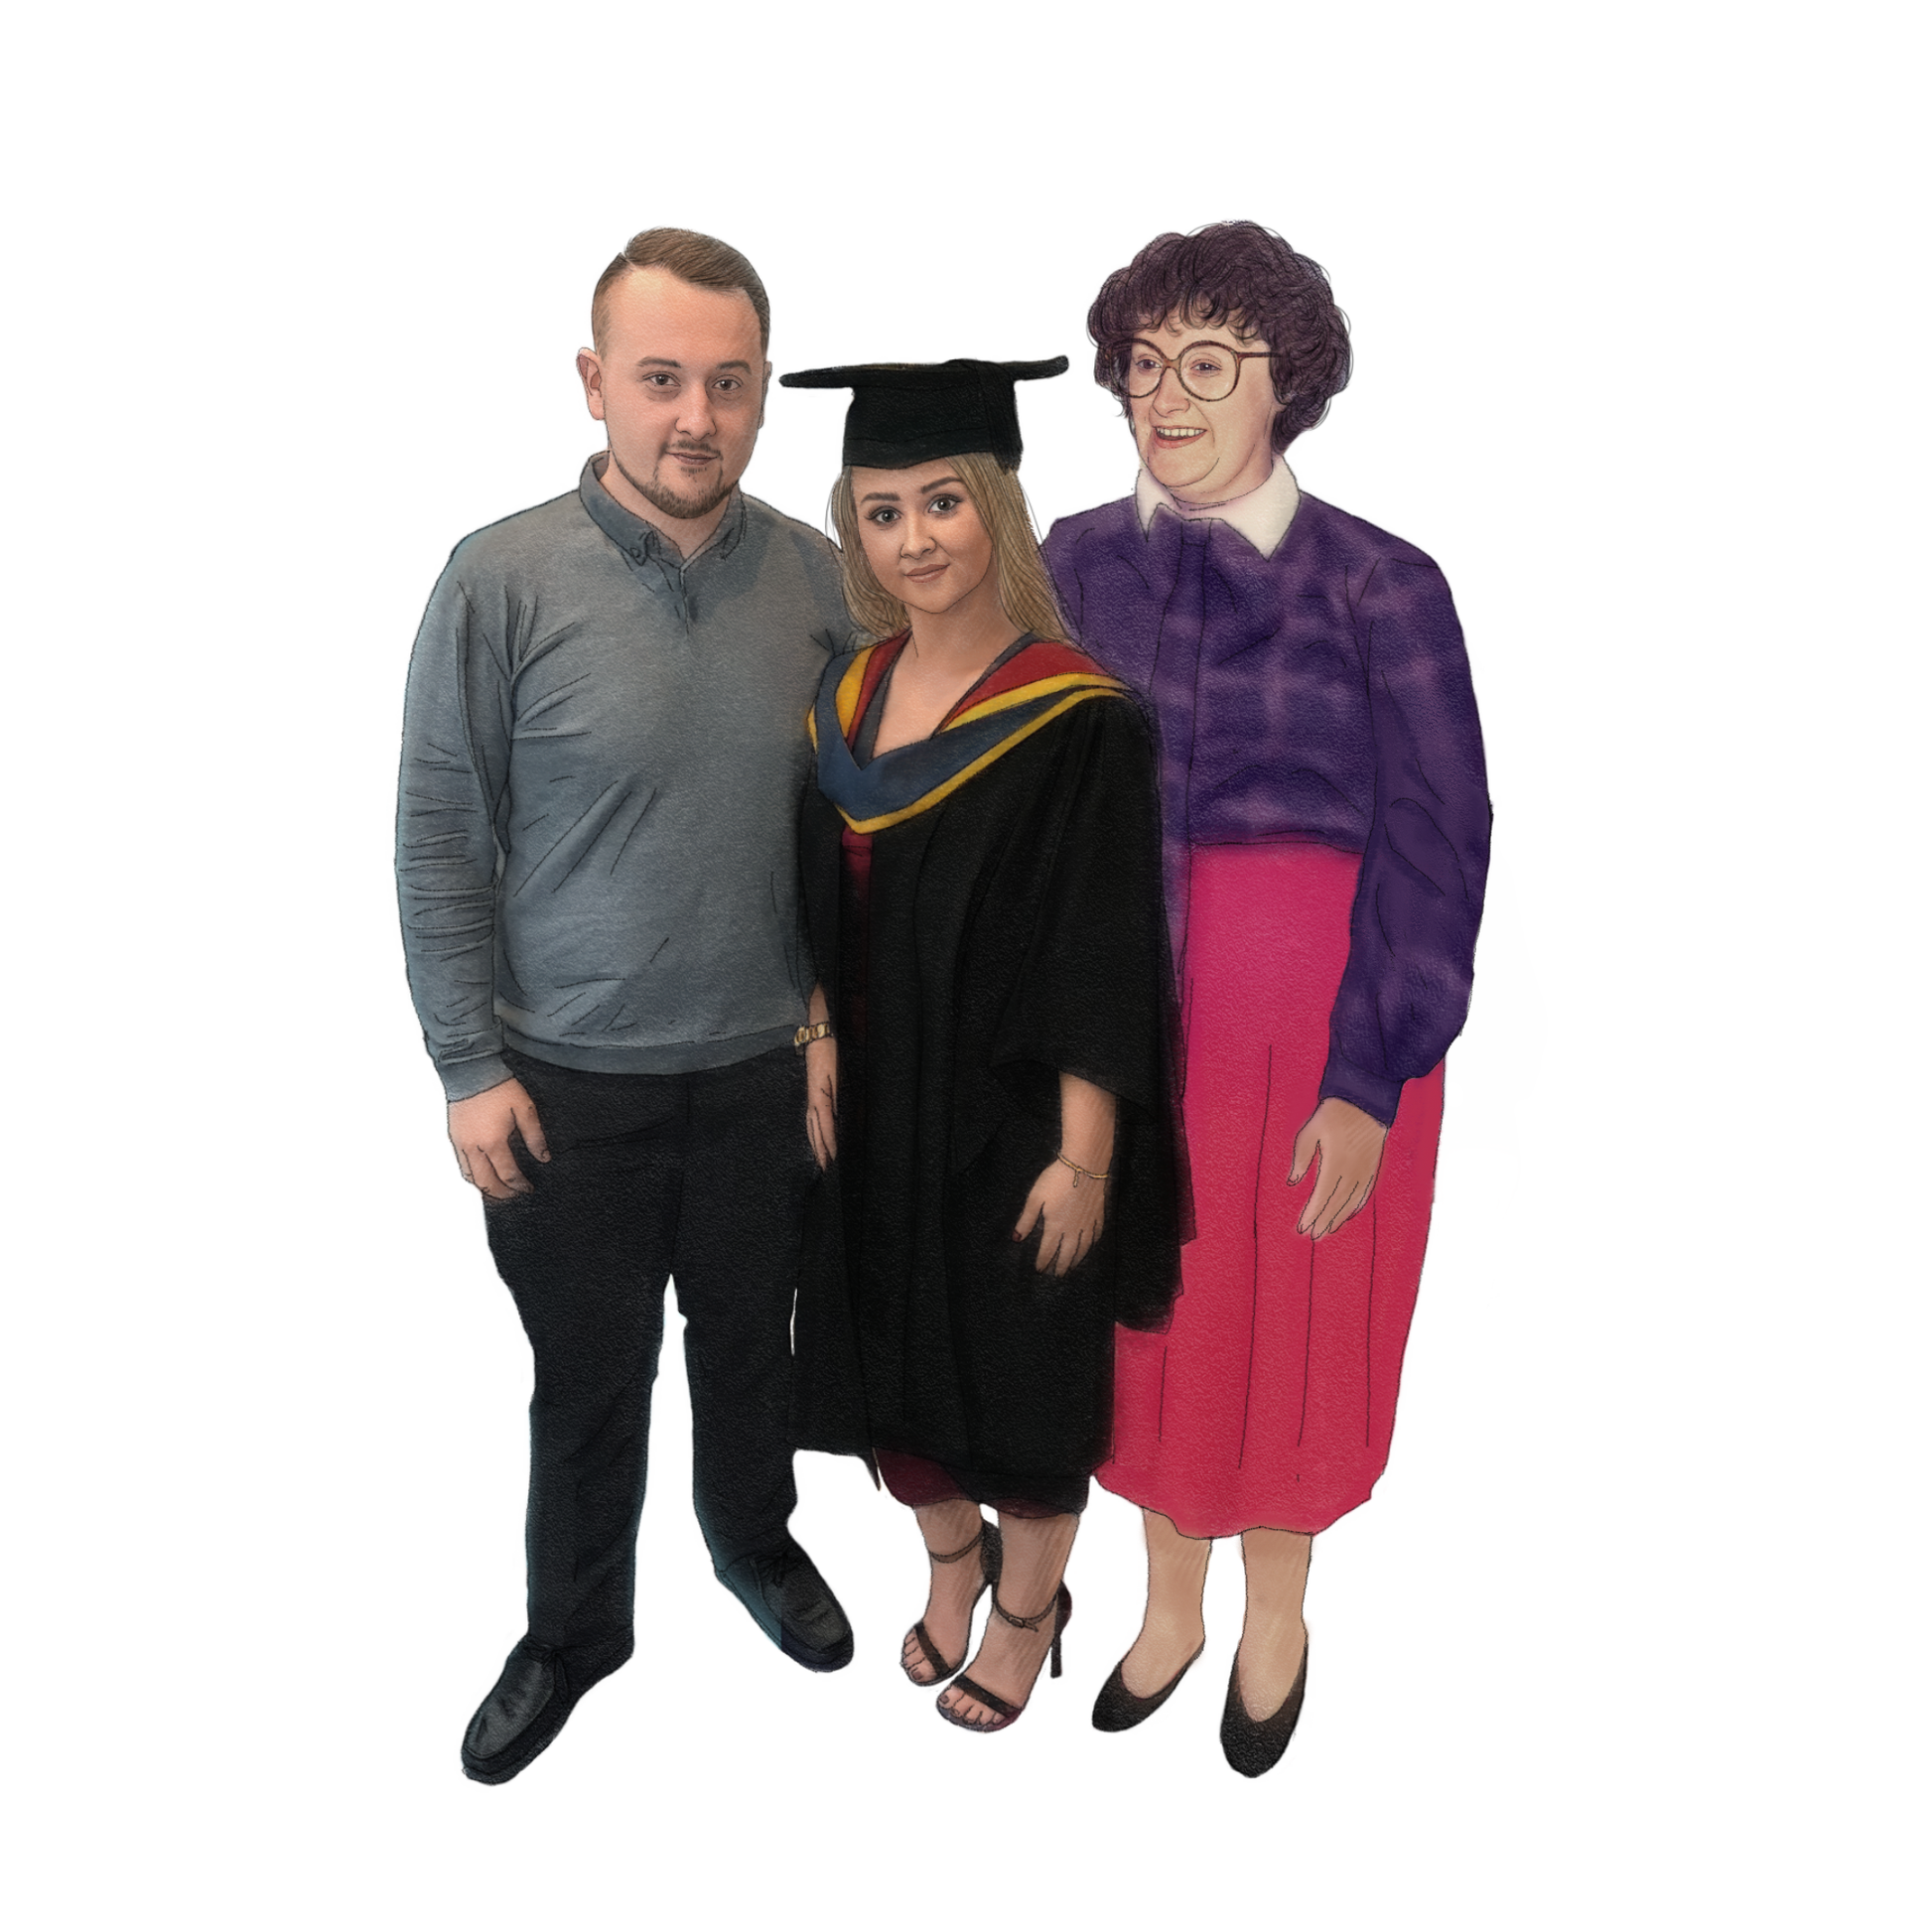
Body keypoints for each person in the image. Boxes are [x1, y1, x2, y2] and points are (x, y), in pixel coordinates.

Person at [395, 228, 857, 1785]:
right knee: (590, 1382)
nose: (695, 418)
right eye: (660, 379)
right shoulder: (500, 579)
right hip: (563, 1086)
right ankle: (573, 1630)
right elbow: (440, 831)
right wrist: (467, 1063)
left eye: (728, 384)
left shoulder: (818, 579)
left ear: (763, 391)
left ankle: (753, 1541)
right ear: (594, 382)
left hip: (760, 1077)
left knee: (752, 1350)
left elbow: (858, 830)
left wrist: (823, 1020)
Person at [1043, 222, 1490, 1775]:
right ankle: (1167, 1605)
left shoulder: (1382, 583)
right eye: (1142, 364)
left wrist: (1370, 1076)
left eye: (1206, 364)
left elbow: (1438, 837)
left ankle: (1275, 1615)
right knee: (1145, 1311)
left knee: (1295, 1318)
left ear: (1282, 382)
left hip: (1323, 1038)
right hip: (1128, 1019)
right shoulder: (1071, 565)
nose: (1164, 396)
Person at [778, 357, 1186, 1733]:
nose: (916, 540)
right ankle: (950, 1562)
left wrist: (1086, 1156)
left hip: (1013, 1123)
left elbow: (1103, 953)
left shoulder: (1078, 720)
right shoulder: (843, 700)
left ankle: (1026, 1609)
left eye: (943, 502)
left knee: (1022, 1378)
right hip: (872, 1108)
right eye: (882, 511)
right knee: (885, 1364)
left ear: (997, 509)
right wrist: (816, 1030)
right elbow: (802, 892)